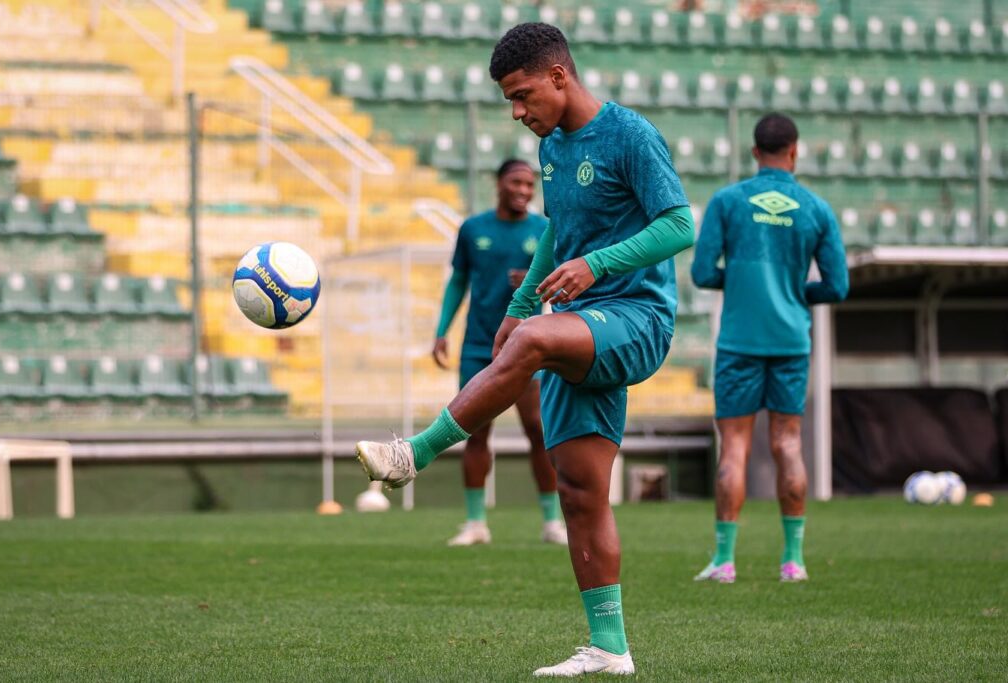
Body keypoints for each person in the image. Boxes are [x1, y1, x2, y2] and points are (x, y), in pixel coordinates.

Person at [356, 23, 695, 677]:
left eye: (522, 95)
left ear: (559, 77)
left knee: (538, 339)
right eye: (509, 101)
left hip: (636, 318)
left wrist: (594, 266)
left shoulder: (630, 134)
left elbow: (679, 223)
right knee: (579, 491)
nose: (517, 113)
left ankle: (413, 453)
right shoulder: (553, 148)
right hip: (578, 320)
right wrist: (515, 311)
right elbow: (557, 232)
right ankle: (609, 647)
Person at [690, 112, 849, 584]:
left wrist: (737, 281)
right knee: (787, 444)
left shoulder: (728, 201)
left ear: (755, 152)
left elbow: (701, 274)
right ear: (794, 152)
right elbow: (837, 287)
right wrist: (798, 291)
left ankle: (724, 562)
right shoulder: (817, 209)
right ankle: (793, 561)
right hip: (790, 342)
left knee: (734, 447)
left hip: (740, 340)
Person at [432, 158, 567, 547]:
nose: (524, 191)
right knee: (473, 432)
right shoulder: (473, 229)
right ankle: (476, 523)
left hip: (527, 346)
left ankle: (550, 521)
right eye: (517, 183)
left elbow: (561, 286)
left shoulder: (543, 230)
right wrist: (442, 331)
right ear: (499, 184)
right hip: (478, 345)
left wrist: (535, 283)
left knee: (538, 432)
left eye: (529, 185)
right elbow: (458, 281)